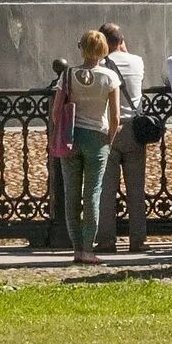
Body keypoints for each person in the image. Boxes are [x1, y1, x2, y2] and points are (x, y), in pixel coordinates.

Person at [58, 33, 121, 266]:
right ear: (104, 49)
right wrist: (110, 139)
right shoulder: (109, 77)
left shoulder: (67, 75)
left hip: (71, 136)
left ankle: (75, 248)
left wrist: (55, 135)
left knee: (71, 194)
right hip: (97, 136)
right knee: (92, 193)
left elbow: (56, 109)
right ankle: (87, 248)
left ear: (81, 48)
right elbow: (115, 116)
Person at [96, 23, 151, 255]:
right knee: (136, 189)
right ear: (121, 40)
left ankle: (107, 239)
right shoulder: (137, 61)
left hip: (109, 128)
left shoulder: (100, 64)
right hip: (134, 131)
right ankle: (138, 239)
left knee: (106, 189)